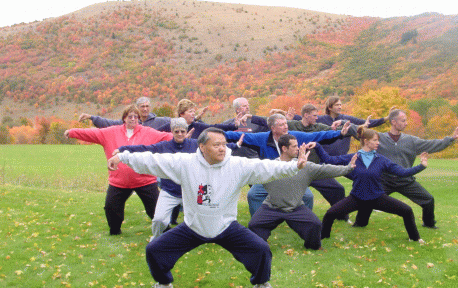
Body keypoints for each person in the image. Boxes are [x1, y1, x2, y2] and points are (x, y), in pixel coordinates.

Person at [107, 127, 310, 288]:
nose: (222, 148)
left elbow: (268, 167)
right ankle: (163, 282)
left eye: (223, 144)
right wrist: (123, 157)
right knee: (154, 250)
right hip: (193, 227)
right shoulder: (185, 163)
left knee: (261, 250)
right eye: (216, 145)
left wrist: (295, 166)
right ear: (202, 147)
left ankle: (261, 283)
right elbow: (153, 160)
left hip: (226, 226)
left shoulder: (237, 165)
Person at [114, 118, 243, 240]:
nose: (180, 134)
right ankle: (157, 239)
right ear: (172, 132)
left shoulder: (196, 145)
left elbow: (215, 148)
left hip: (195, 189)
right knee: (159, 219)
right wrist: (122, 150)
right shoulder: (164, 146)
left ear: (187, 131)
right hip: (170, 190)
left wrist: (236, 145)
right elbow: (144, 149)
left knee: (207, 213)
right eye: (177, 131)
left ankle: (209, 236)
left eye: (183, 131)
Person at [64, 105, 173, 235]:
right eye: (130, 116)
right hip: (119, 182)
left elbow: (166, 137)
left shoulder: (148, 132)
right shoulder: (110, 132)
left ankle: (167, 232)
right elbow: (91, 133)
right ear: (124, 118)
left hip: (145, 180)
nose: (133, 119)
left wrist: (183, 137)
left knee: (155, 210)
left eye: (136, 117)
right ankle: (115, 231)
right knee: (111, 208)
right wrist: (72, 132)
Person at [311, 126, 429, 243]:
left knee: (407, 210)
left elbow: (402, 172)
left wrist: (421, 166)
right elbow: (329, 160)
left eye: (378, 140)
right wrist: (317, 146)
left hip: (377, 198)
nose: (378, 143)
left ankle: (415, 238)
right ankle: (323, 237)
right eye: (375, 140)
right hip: (356, 198)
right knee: (330, 214)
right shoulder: (353, 157)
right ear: (366, 141)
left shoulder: (381, 160)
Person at [353, 109, 458, 229]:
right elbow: (359, 134)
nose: (406, 123)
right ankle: (360, 223)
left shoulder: (411, 141)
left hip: (405, 180)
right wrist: (356, 127)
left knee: (428, 200)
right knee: (367, 199)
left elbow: (431, 144)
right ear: (393, 122)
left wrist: (450, 139)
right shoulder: (379, 138)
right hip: (383, 181)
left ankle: (429, 224)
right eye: (403, 120)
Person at [225, 113, 349, 216]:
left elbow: (317, 135)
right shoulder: (261, 138)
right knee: (253, 194)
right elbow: (238, 135)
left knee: (308, 196)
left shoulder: (295, 136)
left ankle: (304, 220)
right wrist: (214, 134)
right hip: (270, 177)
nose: (285, 127)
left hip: (294, 175)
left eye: (286, 123)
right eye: (281, 125)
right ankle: (259, 220)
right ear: (272, 128)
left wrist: (339, 133)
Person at [248, 134, 356, 250]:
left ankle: (314, 247)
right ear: (284, 148)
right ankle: (260, 246)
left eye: (297, 146)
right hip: (272, 206)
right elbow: (249, 174)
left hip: (296, 207)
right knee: (254, 225)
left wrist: (348, 168)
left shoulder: (306, 167)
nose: (298, 149)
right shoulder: (270, 166)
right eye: (294, 146)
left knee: (315, 225)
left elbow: (326, 169)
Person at [317, 96, 391, 156]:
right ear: (330, 107)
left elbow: (366, 123)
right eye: (337, 105)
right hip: (324, 157)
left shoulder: (347, 119)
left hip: (342, 157)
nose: (340, 107)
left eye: (340, 105)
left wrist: (385, 119)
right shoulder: (320, 120)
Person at [158, 99, 241, 139]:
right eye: (190, 111)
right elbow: (155, 135)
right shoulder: (170, 126)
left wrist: (234, 126)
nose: (193, 113)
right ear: (182, 113)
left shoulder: (197, 126)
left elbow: (215, 127)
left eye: (194, 111)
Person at [78, 97, 172, 129]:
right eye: (142, 106)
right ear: (137, 108)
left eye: (147, 106)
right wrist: (91, 117)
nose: (145, 109)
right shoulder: (129, 122)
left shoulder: (160, 121)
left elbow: (176, 123)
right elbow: (108, 123)